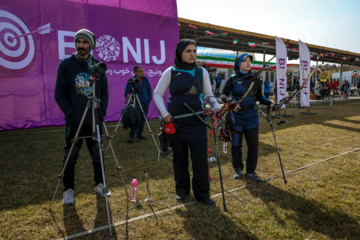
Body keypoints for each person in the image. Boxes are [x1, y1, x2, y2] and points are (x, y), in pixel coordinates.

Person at [153, 39, 220, 206]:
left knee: (200, 159)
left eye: (194, 51)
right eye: (188, 51)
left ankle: (202, 193)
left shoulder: (201, 71)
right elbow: (157, 94)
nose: (192, 54)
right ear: (180, 53)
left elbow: (208, 94)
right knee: (180, 158)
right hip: (176, 123)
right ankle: (181, 191)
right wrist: (165, 113)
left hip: (197, 122)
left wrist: (216, 106)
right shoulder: (171, 71)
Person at [55, 29, 109, 204]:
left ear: (91, 45)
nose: (81, 46)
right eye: (78, 42)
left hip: (95, 121)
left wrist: (102, 113)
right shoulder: (66, 65)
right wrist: (71, 114)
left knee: (98, 155)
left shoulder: (98, 66)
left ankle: (100, 184)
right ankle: (68, 190)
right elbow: (59, 94)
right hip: (75, 121)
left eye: (85, 42)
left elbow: (105, 92)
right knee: (70, 157)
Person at [221, 53, 273, 182]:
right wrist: (231, 102)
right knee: (236, 144)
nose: (248, 63)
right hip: (236, 117)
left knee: (253, 145)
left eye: (249, 60)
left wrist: (270, 103)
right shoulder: (232, 78)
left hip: (251, 117)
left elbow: (260, 97)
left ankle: (251, 171)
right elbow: (223, 95)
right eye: (244, 61)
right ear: (239, 63)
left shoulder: (256, 79)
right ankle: (237, 169)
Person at [124, 66, 152, 143]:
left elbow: (149, 89)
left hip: (145, 102)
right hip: (136, 103)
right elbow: (127, 92)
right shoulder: (131, 81)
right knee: (134, 119)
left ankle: (139, 134)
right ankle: (132, 135)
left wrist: (149, 99)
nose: (142, 73)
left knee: (143, 118)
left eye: (142, 71)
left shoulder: (145, 79)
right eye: (140, 71)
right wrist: (128, 96)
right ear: (135, 72)